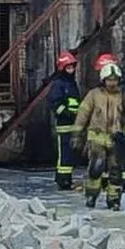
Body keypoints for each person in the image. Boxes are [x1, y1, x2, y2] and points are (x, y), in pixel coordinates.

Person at [71, 59, 125, 211]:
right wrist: (76, 134)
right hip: (97, 137)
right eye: (109, 80)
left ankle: (114, 200)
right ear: (103, 80)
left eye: (115, 79)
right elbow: (82, 115)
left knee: (116, 172)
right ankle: (91, 195)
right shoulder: (93, 95)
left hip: (116, 139)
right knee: (95, 169)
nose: (112, 83)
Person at [47, 51, 81, 190]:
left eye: (72, 67)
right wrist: (67, 113)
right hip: (64, 125)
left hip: (74, 125)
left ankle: (68, 179)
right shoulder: (59, 84)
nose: (71, 70)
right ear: (62, 68)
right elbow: (55, 103)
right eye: (68, 68)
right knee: (64, 155)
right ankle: (63, 180)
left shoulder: (71, 83)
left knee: (71, 155)